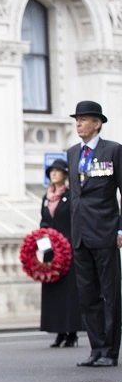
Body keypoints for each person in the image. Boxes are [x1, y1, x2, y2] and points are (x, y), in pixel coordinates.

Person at [66, 101, 122, 368]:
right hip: (80, 235)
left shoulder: (113, 150)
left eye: (84, 119)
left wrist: (120, 228)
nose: (78, 124)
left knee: (110, 294)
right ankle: (96, 348)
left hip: (106, 232)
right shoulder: (73, 153)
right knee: (87, 295)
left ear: (97, 123)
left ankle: (110, 352)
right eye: (76, 119)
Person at [39, 158, 81, 347]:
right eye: (52, 171)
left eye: (58, 171)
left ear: (64, 174)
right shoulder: (46, 197)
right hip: (51, 250)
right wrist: (43, 244)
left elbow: (75, 221)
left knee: (69, 291)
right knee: (53, 290)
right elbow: (44, 222)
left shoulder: (70, 196)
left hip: (68, 248)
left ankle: (71, 331)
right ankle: (58, 330)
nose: (54, 174)